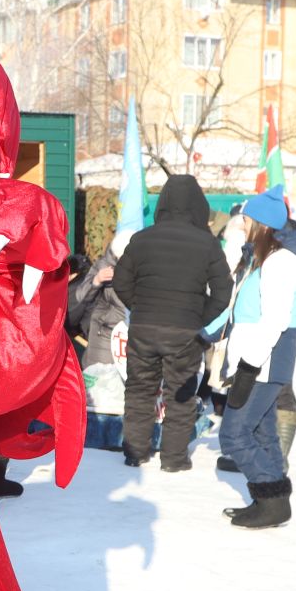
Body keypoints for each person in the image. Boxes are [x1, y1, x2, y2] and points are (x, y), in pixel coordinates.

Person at [110, 174, 232, 470]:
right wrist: (197, 318)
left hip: (144, 327)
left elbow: (120, 282)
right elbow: (223, 291)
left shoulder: (142, 239)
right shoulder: (207, 243)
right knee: (180, 394)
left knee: (139, 390)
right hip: (184, 331)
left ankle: (135, 451)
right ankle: (174, 458)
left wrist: (138, 308)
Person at [213, 190, 296, 528]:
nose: (243, 225)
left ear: (260, 224)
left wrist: (249, 366)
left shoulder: (281, 262)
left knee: (234, 435)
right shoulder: (263, 259)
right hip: (259, 358)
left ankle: (273, 501)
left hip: (263, 360)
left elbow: (274, 320)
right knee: (263, 432)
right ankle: (269, 500)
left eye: (246, 220)